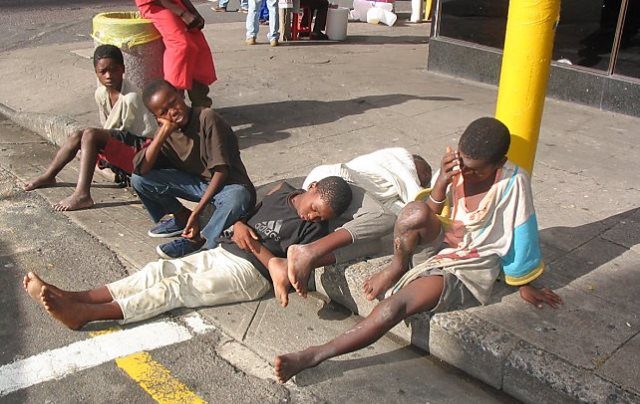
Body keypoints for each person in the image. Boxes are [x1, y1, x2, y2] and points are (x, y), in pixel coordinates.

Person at [274, 117, 563, 383]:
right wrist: (440, 183)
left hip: (469, 261)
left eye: (476, 169)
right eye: (463, 163)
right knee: (412, 212)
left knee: (394, 307)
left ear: (500, 162)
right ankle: (399, 265)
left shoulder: (513, 182)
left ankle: (313, 356)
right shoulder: (455, 167)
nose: (467, 172)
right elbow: (430, 212)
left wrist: (524, 281)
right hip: (446, 236)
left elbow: (522, 233)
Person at [22, 176, 353, 330]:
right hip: (224, 250)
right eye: (314, 209)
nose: (312, 217)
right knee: (158, 272)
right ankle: (75, 297)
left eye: (320, 218)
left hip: (248, 274)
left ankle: (87, 314)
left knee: (174, 289)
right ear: (311, 189)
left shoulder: (314, 231)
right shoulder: (282, 192)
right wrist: (239, 224)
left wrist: (257, 249)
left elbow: (292, 264)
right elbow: (246, 219)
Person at [23, 44, 156, 211]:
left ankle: (83, 194)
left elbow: (116, 130)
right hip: (125, 142)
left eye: (113, 70)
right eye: (103, 71)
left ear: (122, 69)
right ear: (97, 73)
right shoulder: (101, 93)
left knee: (90, 135)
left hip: (145, 150)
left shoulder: (131, 97)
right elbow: (108, 127)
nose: (108, 75)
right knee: (78, 135)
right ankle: (48, 176)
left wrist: (92, 147)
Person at [132, 79, 255, 259]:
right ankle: (182, 218)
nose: (173, 112)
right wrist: (161, 135)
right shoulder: (167, 132)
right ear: (157, 118)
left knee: (239, 196)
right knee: (139, 180)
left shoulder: (207, 118)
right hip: (199, 186)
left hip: (227, 186)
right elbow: (140, 170)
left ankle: (200, 239)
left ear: (181, 96)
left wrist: (197, 212)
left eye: (173, 103)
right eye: (164, 112)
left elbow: (221, 172)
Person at [286, 148, 432, 298]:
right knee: (386, 219)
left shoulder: (387, 192)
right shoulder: (396, 158)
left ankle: (286, 266)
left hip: (337, 198)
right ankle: (310, 251)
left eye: (425, 178)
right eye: (421, 172)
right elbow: (403, 209)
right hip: (338, 185)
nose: (425, 176)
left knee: (374, 244)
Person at [134, 0, 216, 107]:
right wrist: (183, 13)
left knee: (199, 46)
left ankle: (201, 103)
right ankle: (172, 100)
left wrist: (193, 12)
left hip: (176, 4)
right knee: (181, 45)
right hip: (155, 5)